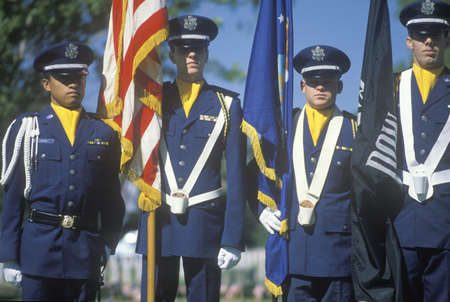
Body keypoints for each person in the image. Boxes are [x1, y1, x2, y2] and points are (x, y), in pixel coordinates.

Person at [0, 42, 125, 301]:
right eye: (64, 78)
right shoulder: (28, 129)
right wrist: (9, 256)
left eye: (79, 78)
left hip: (85, 251)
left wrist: (108, 242)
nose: (73, 85)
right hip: (38, 253)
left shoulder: (104, 133)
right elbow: (13, 200)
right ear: (47, 84)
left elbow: (112, 197)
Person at [135, 15, 246, 302]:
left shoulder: (227, 105)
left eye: (199, 49)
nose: (192, 54)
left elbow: (236, 176)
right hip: (159, 221)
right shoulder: (152, 100)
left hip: (204, 224)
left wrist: (233, 238)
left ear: (208, 54)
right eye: (184, 48)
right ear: (171, 54)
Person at [257, 45, 357, 301]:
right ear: (302, 86)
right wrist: (262, 209)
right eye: (313, 81)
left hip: (339, 258)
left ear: (340, 86)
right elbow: (255, 168)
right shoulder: (284, 128)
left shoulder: (355, 129)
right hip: (294, 256)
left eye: (328, 81)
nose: (320, 87)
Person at [393, 1, 450, 301]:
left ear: (446, 39)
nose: (429, 41)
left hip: (446, 224)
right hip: (402, 219)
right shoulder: (390, 88)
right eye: (421, 34)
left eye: (437, 34)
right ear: (409, 40)